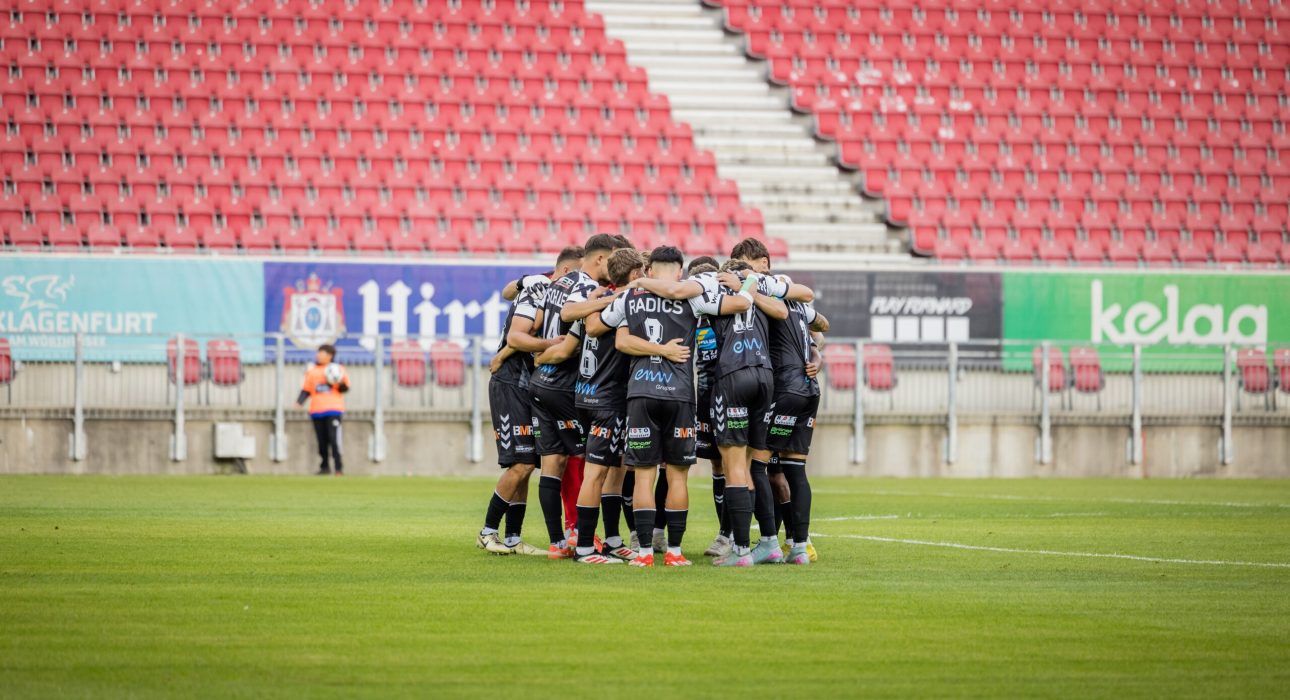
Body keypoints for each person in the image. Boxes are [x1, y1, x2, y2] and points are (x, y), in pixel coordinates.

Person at [611, 245, 752, 567]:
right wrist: (748, 284)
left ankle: (644, 553)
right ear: (679, 271)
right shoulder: (694, 297)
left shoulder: (630, 297)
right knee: (677, 477)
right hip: (680, 395)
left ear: (649, 270)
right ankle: (674, 552)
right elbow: (740, 304)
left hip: (641, 392)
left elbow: (617, 339)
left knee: (644, 476)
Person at [536, 247, 648, 563]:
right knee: (597, 473)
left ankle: (612, 540)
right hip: (607, 399)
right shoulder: (626, 303)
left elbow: (574, 336)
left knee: (614, 470)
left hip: (585, 395)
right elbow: (604, 333)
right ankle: (585, 547)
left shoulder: (592, 301)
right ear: (635, 274)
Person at [477, 247, 583, 556]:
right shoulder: (542, 285)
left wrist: (505, 353)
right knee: (521, 463)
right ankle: (487, 532)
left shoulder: (546, 288)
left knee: (527, 464)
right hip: (510, 384)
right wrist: (547, 344)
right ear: (566, 271)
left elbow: (509, 293)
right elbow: (517, 335)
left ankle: (512, 537)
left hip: (528, 384)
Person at [766, 289, 830, 564]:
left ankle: (769, 542)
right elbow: (821, 332)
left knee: (761, 465)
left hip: (785, 392)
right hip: (809, 391)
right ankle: (800, 545)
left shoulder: (768, 303)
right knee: (791, 469)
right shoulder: (799, 309)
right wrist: (816, 358)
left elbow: (819, 334)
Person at [296, 344, 349, 476]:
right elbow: (306, 390)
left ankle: (338, 468)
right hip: (316, 411)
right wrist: (299, 402)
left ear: (330, 356)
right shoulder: (312, 371)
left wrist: (337, 382)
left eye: (322, 353)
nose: (318, 356)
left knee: (334, 439)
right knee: (321, 441)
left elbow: (345, 388)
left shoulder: (338, 369)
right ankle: (324, 467)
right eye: (318, 353)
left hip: (334, 409)